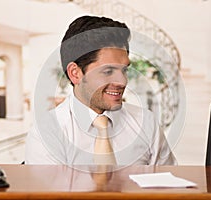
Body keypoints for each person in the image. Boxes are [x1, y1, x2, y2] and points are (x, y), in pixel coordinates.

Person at [25, 15, 177, 166]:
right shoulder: (47, 133)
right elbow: (49, 190)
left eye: (124, 70)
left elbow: (170, 185)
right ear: (75, 73)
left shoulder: (146, 123)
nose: (122, 81)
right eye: (108, 71)